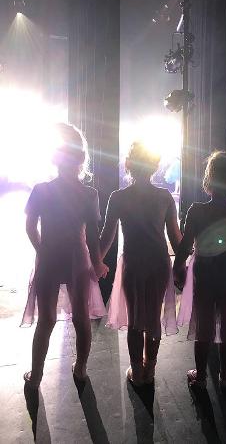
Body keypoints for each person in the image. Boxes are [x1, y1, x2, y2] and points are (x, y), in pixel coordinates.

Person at [22, 123, 108, 388]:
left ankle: (36, 376)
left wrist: (42, 250)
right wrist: (97, 262)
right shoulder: (89, 194)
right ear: (81, 160)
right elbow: (93, 237)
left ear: (54, 159)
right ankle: (80, 369)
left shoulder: (41, 189)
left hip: (49, 257)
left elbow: (29, 227)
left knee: (46, 319)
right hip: (77, 259)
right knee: (81, 316)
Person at [100, 142, 182, 386]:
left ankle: (136, 373)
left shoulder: (118, 197)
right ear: (156, 166)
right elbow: (175, 237)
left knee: (135, 319)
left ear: (128, 165)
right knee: (153, 317)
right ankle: (150, 369)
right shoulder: (165, 197)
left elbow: (107, 237)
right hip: (158, 261)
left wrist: (95, 262)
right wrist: (185, 262)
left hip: (134, 262)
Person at [174, 148, 226, 388]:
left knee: (204, 324)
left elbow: (185, 246)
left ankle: (199, 377)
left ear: (210, 177)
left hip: (204, 273)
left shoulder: (196, 210)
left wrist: (178, 269)